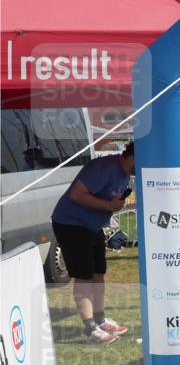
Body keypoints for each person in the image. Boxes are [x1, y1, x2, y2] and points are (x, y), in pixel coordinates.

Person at [50, 143, 135, 344]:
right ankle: (90, 329)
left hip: (91, 226)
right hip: (71, 224)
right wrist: (108, 205)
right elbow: (76, 194)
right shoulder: (104, 167)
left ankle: (100, 319)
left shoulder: (123, 173)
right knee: (84, 276)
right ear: (131, 157)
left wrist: (113, 203)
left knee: (99, 273)